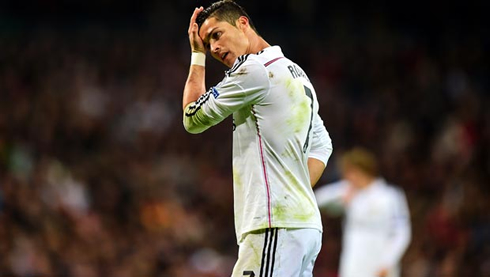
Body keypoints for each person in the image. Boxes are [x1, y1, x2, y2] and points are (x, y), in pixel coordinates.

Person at [182, 1, 333, 276]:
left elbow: (192, 118)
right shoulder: (296, 73)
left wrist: (196, 55)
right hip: (304, 227)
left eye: (217, 34)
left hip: (274, 227)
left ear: (242, 23)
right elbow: (323, 144)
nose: (213, 48)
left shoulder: (254, 70)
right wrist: (295, 191)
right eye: (205, 44)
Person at [315, 147, 411, 277]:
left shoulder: (390, 196)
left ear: (360, 170)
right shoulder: (350, 193)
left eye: (348, 172)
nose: (346, 177)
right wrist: (342, 195)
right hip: (353, 264)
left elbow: (402, 233)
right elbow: (317, 199)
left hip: (380, 266)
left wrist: (387, 262)